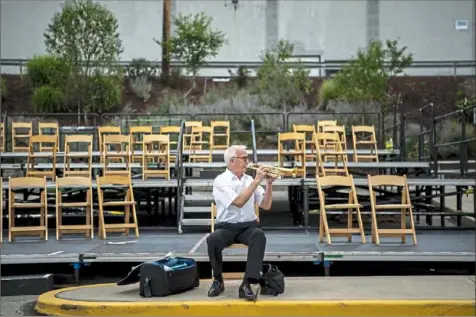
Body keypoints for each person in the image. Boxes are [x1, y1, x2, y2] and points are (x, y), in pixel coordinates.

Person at [207, 145, 274, 300]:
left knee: (259, 235)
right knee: (212, 240)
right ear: (231, 161)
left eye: (246, 158)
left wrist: (269, 184)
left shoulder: (249, 180)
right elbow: (239, 202)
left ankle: (247, 283)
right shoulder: (221, 181)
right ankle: (218, 280)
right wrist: (257, 180)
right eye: (243, 158)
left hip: (247, 227)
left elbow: (266, 205)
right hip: (226, 227)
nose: (247, 161)